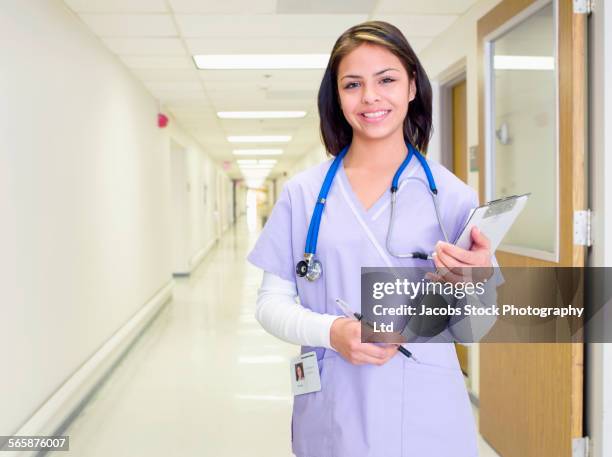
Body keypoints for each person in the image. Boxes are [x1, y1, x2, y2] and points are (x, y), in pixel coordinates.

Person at [247, 21, 493, 457]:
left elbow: (477, 329)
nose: (371, 97)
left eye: (387, 79)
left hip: (427, 410)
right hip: (336, 409)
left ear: (413, 86)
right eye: (352, 84)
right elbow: (270, 305)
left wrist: (479, 283)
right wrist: (332, 330)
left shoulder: (452, 196)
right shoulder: (304, 194)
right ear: (336, 97)